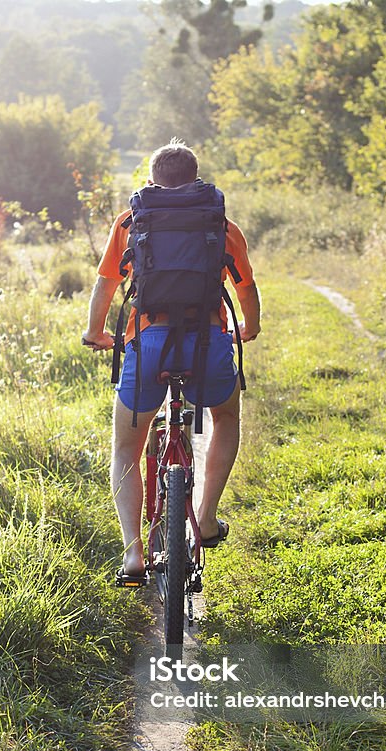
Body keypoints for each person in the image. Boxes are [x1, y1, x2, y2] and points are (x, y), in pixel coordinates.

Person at [82, 141, 261, 583]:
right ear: (196, 178)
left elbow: (106, 285)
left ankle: (132, 556)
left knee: (127, 445)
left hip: (148, 346)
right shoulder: (221, 225)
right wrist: (249, 328)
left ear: (151, 179)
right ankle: (205, 518)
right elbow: (246, 290)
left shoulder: (131, 222)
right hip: (208, 344)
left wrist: (95, 333)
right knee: (225, 417)